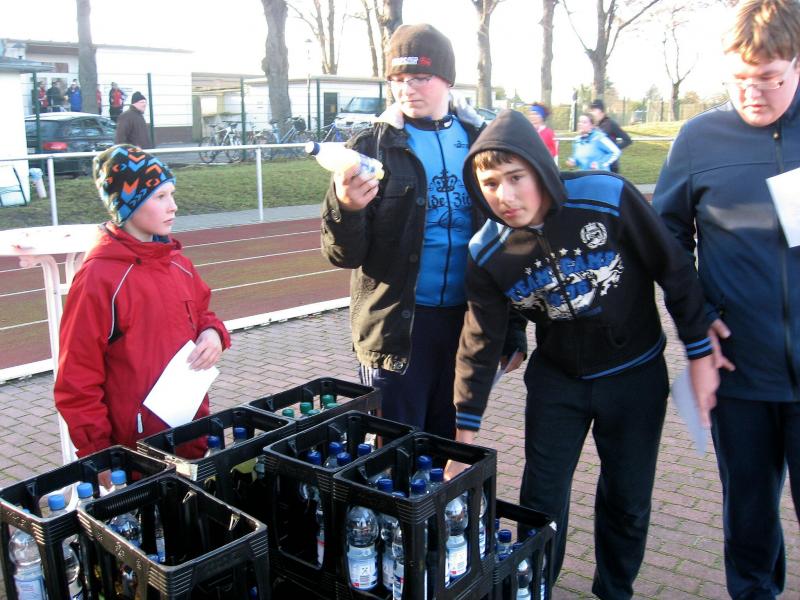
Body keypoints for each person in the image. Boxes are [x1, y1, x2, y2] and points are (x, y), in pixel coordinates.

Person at [449, 109, 718, 599]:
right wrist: (463, 442)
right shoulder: (486, 251)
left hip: (634, 375)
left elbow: (673, 267)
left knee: (627, 500)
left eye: (516, 177)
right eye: (490, 183)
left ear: (540, 169)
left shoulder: (607, 196)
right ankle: (535, 588)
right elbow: (479, 339)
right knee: (539, 501)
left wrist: (698, 351)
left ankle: (614, 590)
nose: (504, 195)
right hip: (558, 382)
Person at [653, 1, 800, 597]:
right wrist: (699, 320)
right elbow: (666, 237)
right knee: (749, 521)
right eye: (740, 79)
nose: (753, 94)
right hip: (739, 371)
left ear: (798, 64)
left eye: (769, 79)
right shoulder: (698, 139)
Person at [320, 24, 524, 440]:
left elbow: (514, 239)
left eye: (419, 77)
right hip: (398, 331)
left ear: (447, 79)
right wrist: (347, 208)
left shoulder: (485, 144)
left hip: (469, 325)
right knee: (395, 450)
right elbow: (343, 255)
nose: (406, 89)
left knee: (453, 449)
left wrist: (514, 328)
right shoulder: (369, 148)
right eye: (396, 79)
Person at [54, 144, 230, 459]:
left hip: (191, 432)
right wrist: (98, 454)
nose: (173, 206)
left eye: (172, 195)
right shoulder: (98, 278)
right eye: (160, 196)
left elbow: (203, 314)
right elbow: (77, 378)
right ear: (128, 204)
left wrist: (213, 334)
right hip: (136, 453)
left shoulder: (178, 263)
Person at [589, 99, 632, 173]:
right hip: (597, 165)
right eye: (591, 111)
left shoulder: (611, 124)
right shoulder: (595, 126)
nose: (592, 113)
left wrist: (612, 149)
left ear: (601, 111)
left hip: (611, 166)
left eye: (594, 110)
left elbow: (627, 140)